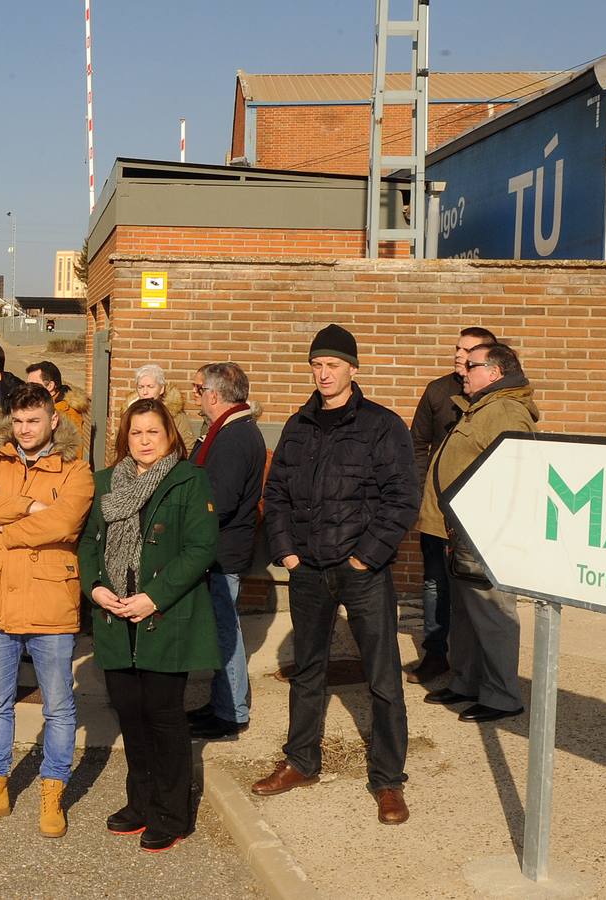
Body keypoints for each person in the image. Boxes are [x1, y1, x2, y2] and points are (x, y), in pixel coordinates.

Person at [254, 325, 418, 826]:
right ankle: (302, 761)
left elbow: (401, 499)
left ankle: (388, 780)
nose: (323, 373)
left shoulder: (382, 426)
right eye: (316, 365)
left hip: (362, 573)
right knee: (308, 671)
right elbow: (276, 494)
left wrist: (366, 557)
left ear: (353, 369)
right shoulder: (298, 426)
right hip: (308, 570)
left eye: (333, 364)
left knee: (383, 676)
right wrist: (287, 552)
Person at [78, 397, 221, 852]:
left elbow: (200, 548)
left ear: (168, 435)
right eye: (136, 433)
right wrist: (96, 587)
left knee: (163, 716)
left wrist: (153, 597)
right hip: (115, 616)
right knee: (131, 715)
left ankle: (172, 813)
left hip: (164, 614)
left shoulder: (189, 480)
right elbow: (86, 547)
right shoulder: (106, 483)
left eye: (152, 432)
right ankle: (140, 803)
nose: (143, 441)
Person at [0, 384, 93, 837]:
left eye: (34, 420)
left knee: (58, 705)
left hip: (50, 599)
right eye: (18, 421)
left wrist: (4, 530)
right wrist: (30, 506)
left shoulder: (77, 469)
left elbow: (66, 522)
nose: (25, 429)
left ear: (54, 420)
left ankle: (54, 789)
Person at [420, 342, 537, 723]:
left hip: (484, 534)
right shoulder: (481, 407)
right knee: (465, 614)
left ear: (494, 372)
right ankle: (467, 682)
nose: (463, 371)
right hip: (460, 532)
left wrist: (493, 530)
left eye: (471, 365)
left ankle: (502, 696)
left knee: (493, 615)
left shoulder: (504, 410)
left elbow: (517, 474)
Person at [407, 326, 498, 684]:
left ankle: (474, 664)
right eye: (457, 348)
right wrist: (418, 494)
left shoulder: (492, 397)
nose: (459, 355)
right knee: (434, 582)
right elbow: (416, 444)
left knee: (471, 587)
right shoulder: (437, 391)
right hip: (435, 508)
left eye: (468, 350)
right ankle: (435, 653)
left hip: (476, 513)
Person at [187, 362, 262, 741]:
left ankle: (232, 712)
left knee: (224, 633)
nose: (196, 396)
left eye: (198, 389)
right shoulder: (226, 430)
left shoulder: (233, 437)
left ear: (213, 396)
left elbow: (221, 499)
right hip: (220, 550)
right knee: (220, 630)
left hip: (223, 552)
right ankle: (221, 704)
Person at [26, 361, 91, 445]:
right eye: (27, 384)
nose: (28, 389)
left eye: (33, 385)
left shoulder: (68, 414)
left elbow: (72, 453)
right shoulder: (41, 405)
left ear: (50, 386)